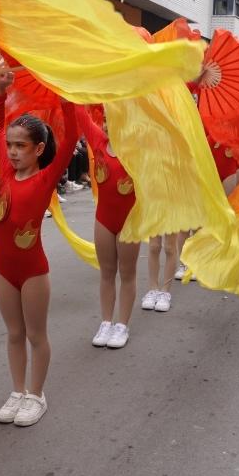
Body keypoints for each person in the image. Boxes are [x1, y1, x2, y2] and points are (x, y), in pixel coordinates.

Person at [0, 71, 76, 428]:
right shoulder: (5, 173)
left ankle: (36, 394)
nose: (12, 151)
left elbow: (70, 139)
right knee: (13, 333)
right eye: (10, 145)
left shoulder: (45, 177)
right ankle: (17, 389)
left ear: (38, 149)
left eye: (20, 146)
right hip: (3, 268)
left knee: (35, 334)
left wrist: (67, 98)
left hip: (33, 271)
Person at [75, 105, 139, 349]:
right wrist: (68, 78)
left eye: (115, 121)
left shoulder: (139, 149)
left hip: (130, 222)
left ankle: (122, 324)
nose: (108, 126)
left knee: (127, 272)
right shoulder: (98, 141)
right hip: (104, 219)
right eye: (106, 121)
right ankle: (106, 321)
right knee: (107, 272)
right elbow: (78, 110)